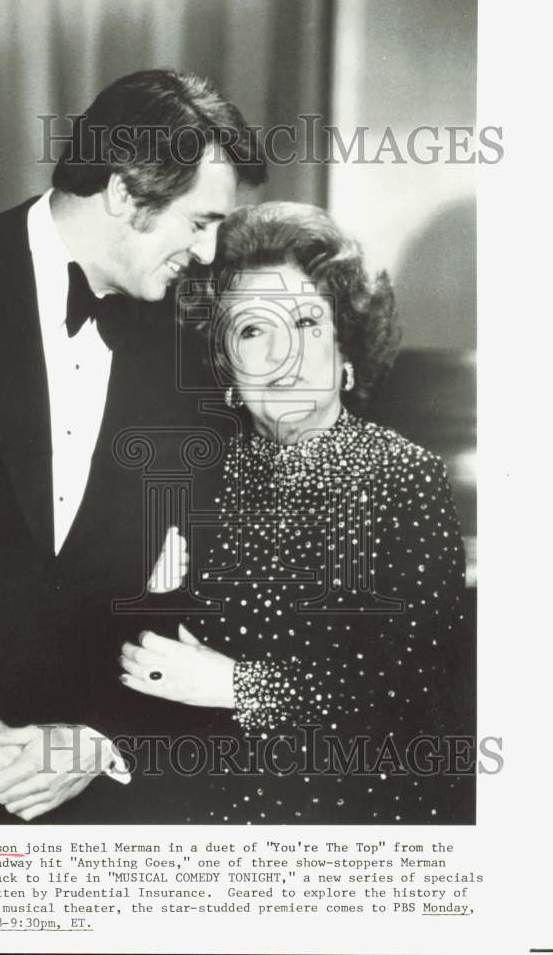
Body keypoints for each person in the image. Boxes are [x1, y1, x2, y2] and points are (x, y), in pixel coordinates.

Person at [0, 68, 266, 823]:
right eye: (200, 222)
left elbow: (178, 606)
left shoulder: (190, 350)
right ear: (126, 194)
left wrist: (93, 741)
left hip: (90, 788)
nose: (207, 254)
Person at [119, 201, 475, 824]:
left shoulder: (402, 475)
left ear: (346, 351)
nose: (284, 354)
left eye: (308, 322)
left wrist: (236, 686)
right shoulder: (197, 476)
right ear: (225, 364)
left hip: (352, 822)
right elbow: (144, 666)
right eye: (253, 329)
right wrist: (146, 597)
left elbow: (415, 688)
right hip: (198, 819)